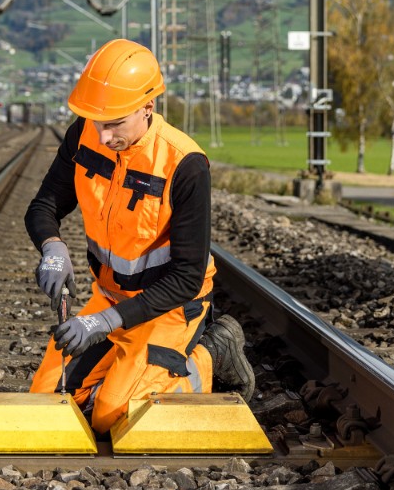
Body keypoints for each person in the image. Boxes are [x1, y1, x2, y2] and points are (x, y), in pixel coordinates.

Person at [24, 38, 254, 435]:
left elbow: (186, 278)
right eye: (98, 120)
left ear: (148, 108)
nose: (104, 133)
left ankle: (212, 353)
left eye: (115, 122)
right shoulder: (84, 136)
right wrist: (52, 248)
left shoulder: (185, 165)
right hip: (111, 297)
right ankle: (128, 367)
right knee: (49, 401)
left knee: (114, 415)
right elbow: (43, 206)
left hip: (169, 308)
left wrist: (104, 322)